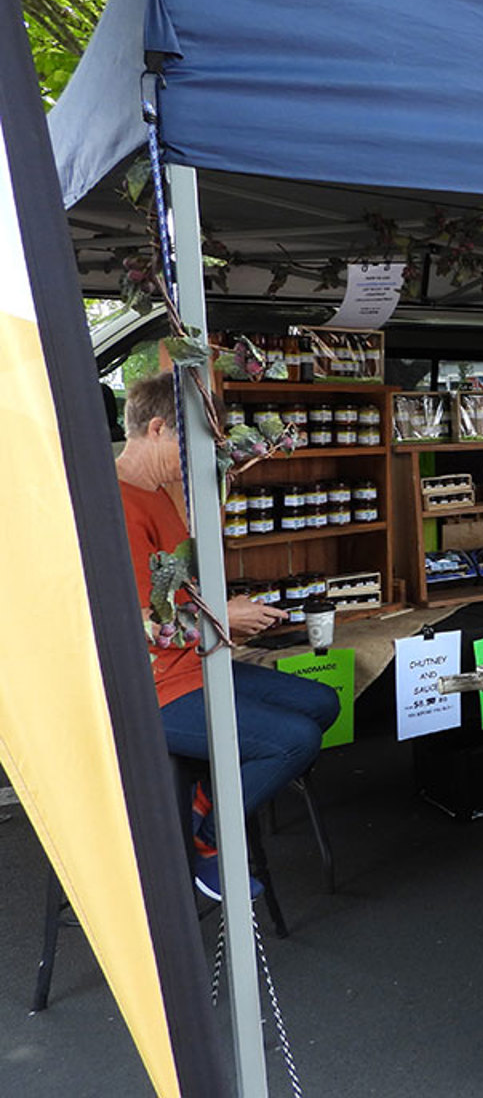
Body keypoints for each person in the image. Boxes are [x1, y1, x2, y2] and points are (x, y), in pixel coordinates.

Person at [116, 373, 339, 900]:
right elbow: (151, 622)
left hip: (197, 665)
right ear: (155, 429)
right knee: (296, 740)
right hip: (155, 690)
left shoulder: (157, 494)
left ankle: (204, 795)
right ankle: (206, 841)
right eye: (190, 442)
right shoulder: (119, 507)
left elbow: (180, 588)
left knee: (323, 703)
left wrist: (228, 614)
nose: (196, 457)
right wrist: (225, 618)